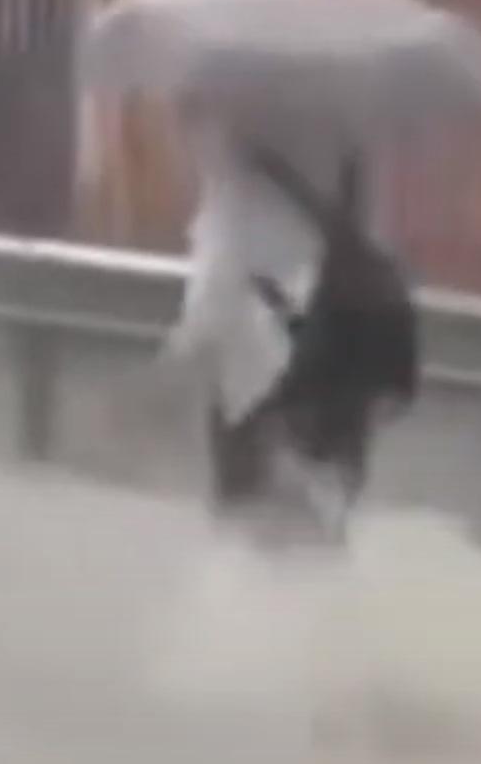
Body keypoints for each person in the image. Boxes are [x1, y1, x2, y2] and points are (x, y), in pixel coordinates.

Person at [164, 110, 422, 545]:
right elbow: (397, 386)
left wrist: (267, 164)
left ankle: (256, 537)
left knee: (278, 519)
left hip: (317, 426)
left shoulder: (353, 272)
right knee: (314, 526)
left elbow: (346, 360)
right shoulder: (376, 279)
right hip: (333, 433)